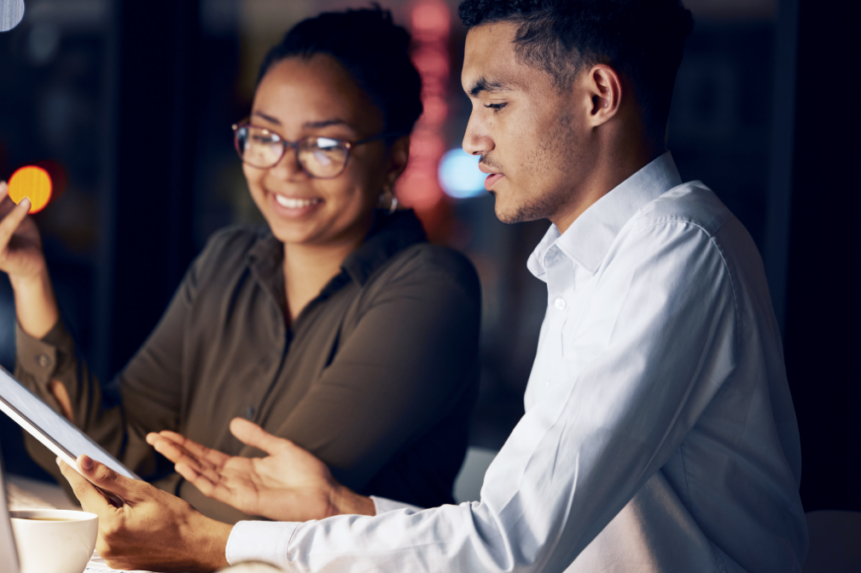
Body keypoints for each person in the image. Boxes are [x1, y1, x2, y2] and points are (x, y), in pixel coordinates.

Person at [51, 0, 810, 571]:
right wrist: (335, 506)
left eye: (496, 101)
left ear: (598, 97)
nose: (472, 135)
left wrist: (222, 542)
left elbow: (510, 546)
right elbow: (511, 524)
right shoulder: (592, 261)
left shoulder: (673, 253)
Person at [0, 7, 481, 523]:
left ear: (393, 158)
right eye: (266, 136)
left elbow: (271, 503)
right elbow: (96, 452)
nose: (285, 169)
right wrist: (28, 276)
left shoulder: (432, 289)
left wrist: (132, 493)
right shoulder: (229, 262)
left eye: (324, 145)